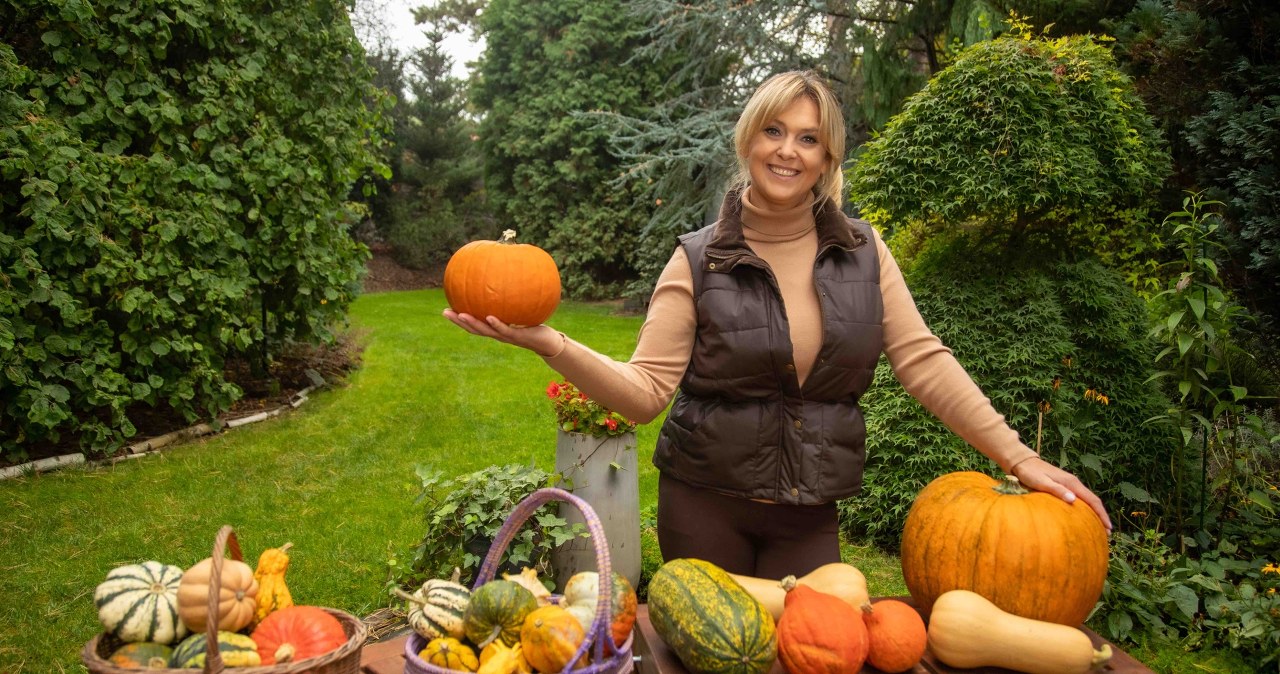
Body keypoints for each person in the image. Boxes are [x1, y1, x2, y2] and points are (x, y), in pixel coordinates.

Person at [444, 70, 1112, 579]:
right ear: (749, 140)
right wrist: (549, 343)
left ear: (827, 157)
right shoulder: (700, 258)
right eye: (773, 131)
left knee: (818, 651)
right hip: (705, 507)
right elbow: (645, 394)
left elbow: (924, 362)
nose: (787, 151)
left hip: (808, 515)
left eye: (807, 138)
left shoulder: (863, 253)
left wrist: (1019, 459)